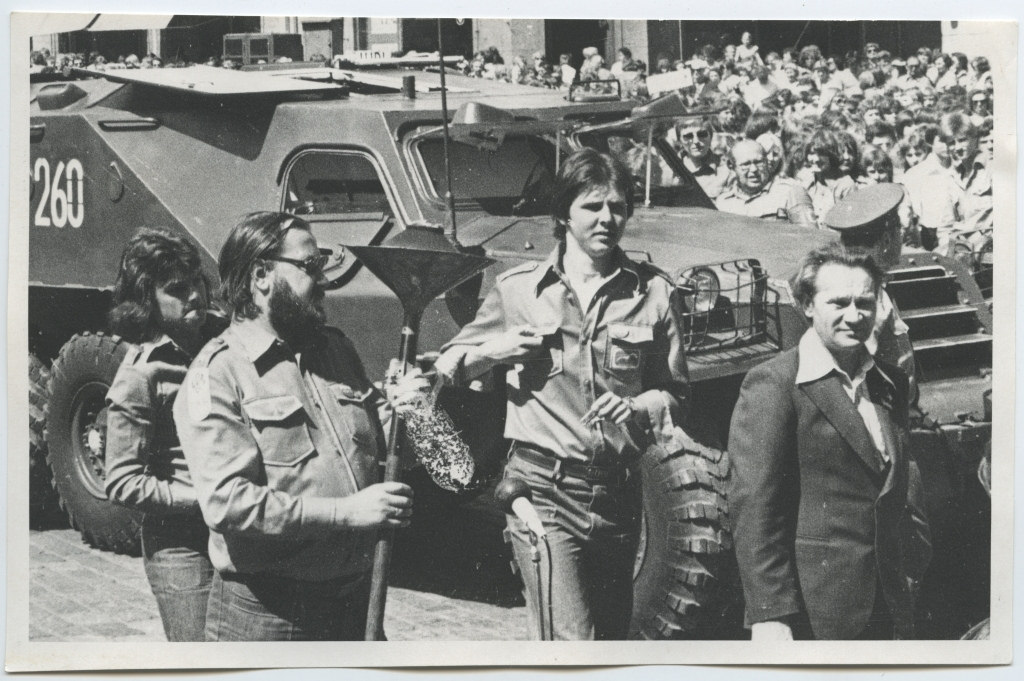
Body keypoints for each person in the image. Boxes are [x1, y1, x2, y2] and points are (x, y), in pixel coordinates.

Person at [431, 149, 689, 640]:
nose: (607, 219)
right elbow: (449, 369)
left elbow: (676, 393)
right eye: (592, 207)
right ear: (562, 214)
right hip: (541, 491)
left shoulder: (654, 293)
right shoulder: (519, 290)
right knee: (573, 644)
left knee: (611, 646)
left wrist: (637, 406)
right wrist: (496, 351)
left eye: (617, 207)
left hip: (617, 495)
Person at [172, 212, 424, 641]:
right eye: (311, 266)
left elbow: (380, 450)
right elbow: (228, 503)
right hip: (271, 617)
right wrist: (346, 513)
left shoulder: (335, 350)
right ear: (262, 276)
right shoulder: (218, 373)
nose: (323, 280)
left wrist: (414, 409)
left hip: (354, 606)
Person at [728, 242, 931, 640]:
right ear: (807, 305)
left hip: (887, 605)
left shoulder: (889, 381)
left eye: (865, 303)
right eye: (838, 303)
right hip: (815, 611)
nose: (854, 316)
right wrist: (771, 614)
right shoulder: (775, 383)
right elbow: (754, 505)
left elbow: (897, 486)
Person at [104, 228, 225, 641]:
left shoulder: (227, 343)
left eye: (197, 283)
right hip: (182, 545)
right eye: (177, 288)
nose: (194, 295)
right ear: (147, 300)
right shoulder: (140, 375)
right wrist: (202, 499)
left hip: (240, 531)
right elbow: (121, 482)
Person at [716, 140, 816, 227]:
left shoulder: (790, 192)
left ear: (766, 162)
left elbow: (810, 237)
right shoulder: (723, 203)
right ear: (731, 166)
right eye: (745, 164)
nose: (754, 169)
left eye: (759, 162)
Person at [675, 118, 730, 200]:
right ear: (680, 141)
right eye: (688, 136)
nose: (696, 141)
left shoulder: (725, 169)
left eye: (702, 134)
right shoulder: (671, 168)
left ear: (710, 137)